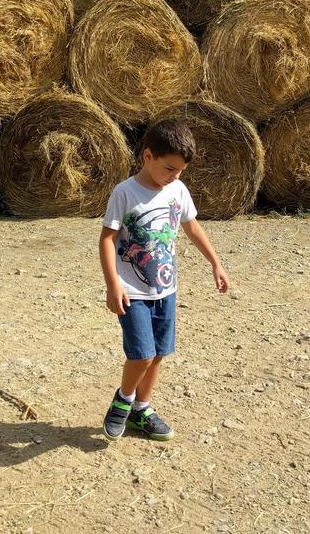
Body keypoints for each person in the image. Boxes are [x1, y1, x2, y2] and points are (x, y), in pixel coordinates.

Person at [99, 118, 229, 441]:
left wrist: (216, 262)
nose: (175, 176)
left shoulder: (178, 190)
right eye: (170, 168)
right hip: (133, 291)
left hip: (165, 291)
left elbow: (192, 227)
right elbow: (106, 239)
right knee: (141, 353)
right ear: (147, 157)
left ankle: (142, 409)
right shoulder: (125, 193)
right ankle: (123, 400)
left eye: (180, 171)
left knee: (158, 353)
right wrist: (112, 283)